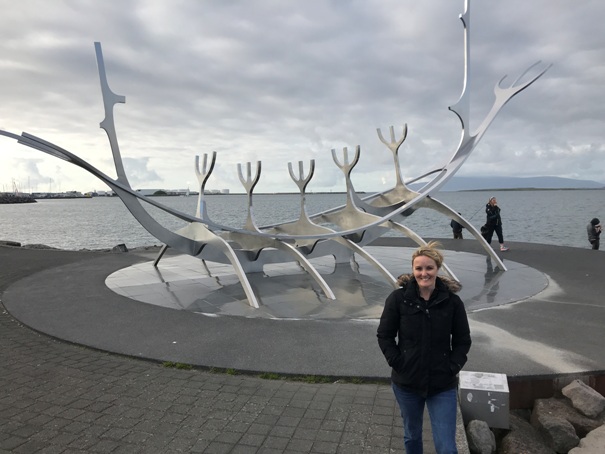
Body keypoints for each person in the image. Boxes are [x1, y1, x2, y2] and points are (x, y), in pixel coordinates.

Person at [377, 241, 471, 454]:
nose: (424, 273)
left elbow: (462, 340)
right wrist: (398, 362)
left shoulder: (453, 302)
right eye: (419, 268)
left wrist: (452, 366)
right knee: (412, 435)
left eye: (429, 268)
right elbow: (385, 335)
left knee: (447, 447)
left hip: (442, 384)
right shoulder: (398, 299)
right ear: (413, 270)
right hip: (407, 383)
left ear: (438, 269)